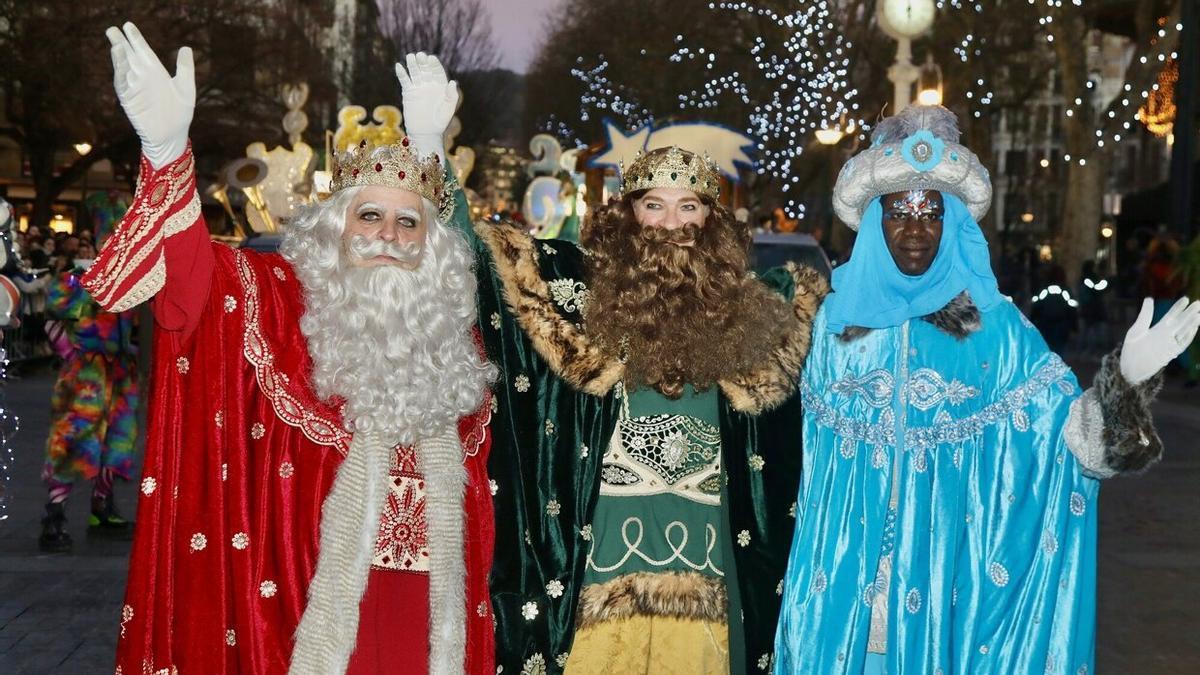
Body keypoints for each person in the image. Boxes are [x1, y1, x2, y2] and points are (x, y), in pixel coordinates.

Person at [397, 55, 828, 674]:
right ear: (628, 214)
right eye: (655, 205)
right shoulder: (579, 290)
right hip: (599, 567)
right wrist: (430, 143)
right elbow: (479, 257)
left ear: (710, 220)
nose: (672, 224)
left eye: (689, 207)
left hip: (708, 569)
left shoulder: (756, 311)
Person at [87, 24, 496, 674]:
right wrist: (166, 152)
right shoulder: (284, 302)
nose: (388, 235)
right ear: (336, 230)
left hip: (427, 624)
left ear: (431, 245)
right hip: (303, 618)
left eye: (408, 221)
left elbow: (488, 268)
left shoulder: (456, 342)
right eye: (369, 216)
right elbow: (195, 287)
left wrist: (429, 148)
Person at [773, 105, 1200, 674]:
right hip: (841, 599)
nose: (916, 230)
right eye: (899, 212)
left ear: (953, 224)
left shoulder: (995, 328)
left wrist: (1125, 381)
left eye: (932, 214)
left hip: (949, 599)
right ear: (876, 220)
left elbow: (1076, 445)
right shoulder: (827, 327)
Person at [38, 238, 138, 552]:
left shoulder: (127, 281)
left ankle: (101, 508)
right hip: (85, 375)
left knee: (118, 441)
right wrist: (70, 355)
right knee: (71, 441)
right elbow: (51, 319)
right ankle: (54, 516)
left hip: (120, 372)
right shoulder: (74, 279)